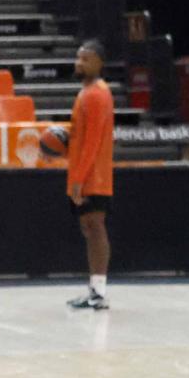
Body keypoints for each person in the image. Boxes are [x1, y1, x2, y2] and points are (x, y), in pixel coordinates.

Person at [66, 39, 114, 311]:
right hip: (85, 173)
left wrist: (78, 179)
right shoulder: (86, 92)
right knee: (89, 228)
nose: (79, 63)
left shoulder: (97, 94)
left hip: (93, 176)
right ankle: (94, 288)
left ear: (99, 63)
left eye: (85, 59)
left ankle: (99, 292)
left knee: (95, 227)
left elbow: (93, 141)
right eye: (78, 58)